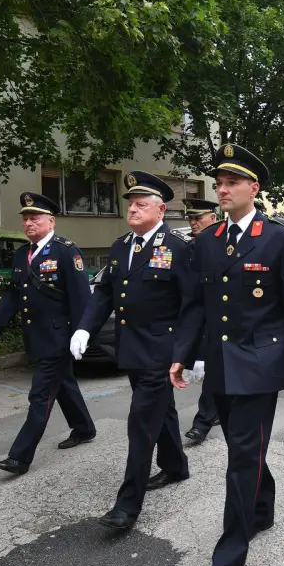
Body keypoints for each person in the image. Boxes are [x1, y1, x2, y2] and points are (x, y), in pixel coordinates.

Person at [171, 143, 284, 566]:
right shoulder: (207, 240)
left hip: (260, 363)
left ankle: (228, 557)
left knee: (240, 458)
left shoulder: (278, 237)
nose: (222, 189)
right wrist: (182, 354)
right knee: (249, 450)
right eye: (218, 183)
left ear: (253, 188)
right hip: (219, 364)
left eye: (231, 182)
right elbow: (196, 305)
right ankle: (263, 507)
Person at [70, 172, 192, 530]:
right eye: (131, 204)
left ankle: (127, 506)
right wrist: (83, 327)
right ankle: (175, 466)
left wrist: (191, 353)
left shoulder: (178, 249)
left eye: (141, 204)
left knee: (141, 422)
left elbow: (192, 304)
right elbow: (106, 292)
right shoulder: (122, 244)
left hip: (161, 350)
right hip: (130, 347)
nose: (133, 210)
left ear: (161, 209)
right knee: (161, 409)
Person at [0, 193, 95, 475]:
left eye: (36, 217)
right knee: (64, 384)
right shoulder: (22, 254)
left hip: (59, 338)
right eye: (26, 218)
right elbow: (12, 295)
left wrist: (82, 332)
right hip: (37, 337)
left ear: (51, 221)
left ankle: (20, 457)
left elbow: (81, 298)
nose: (29, 223)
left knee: (40, 395)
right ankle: (84, 428)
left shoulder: (66, 251)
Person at [183, 198, 221, 446]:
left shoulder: (221, 245)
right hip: (190, 317)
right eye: (190, 218)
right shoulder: (187, 247)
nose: (194, 223)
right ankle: (216, 409)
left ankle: (202, 423)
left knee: (211, 371)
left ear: (213, 218)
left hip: (216, 318)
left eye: (199, 218)